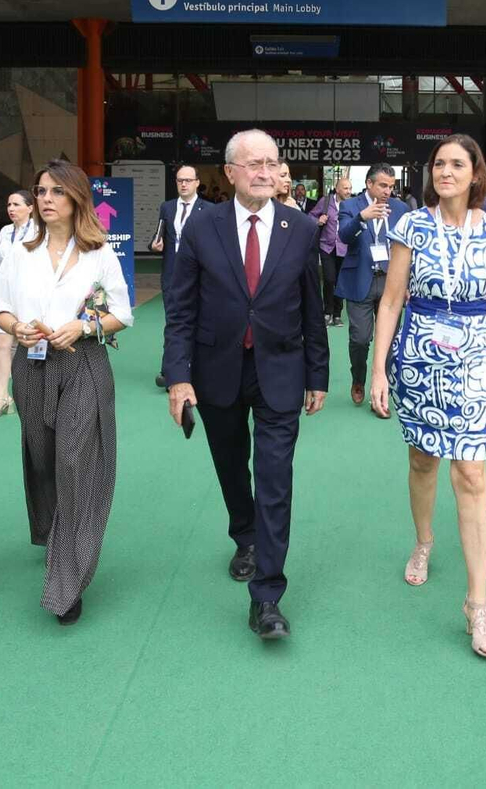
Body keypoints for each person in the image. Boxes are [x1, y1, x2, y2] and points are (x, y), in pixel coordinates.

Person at [162, 129, 329, 641]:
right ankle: (245, 534)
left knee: (275, 478)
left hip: (281, 370)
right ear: (230, 172)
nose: (264, 171)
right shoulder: (202, 227)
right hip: (218, 371)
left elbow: (313, 307)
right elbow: (181, 309)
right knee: (232, 465)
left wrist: (317, 374)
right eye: (252, 163)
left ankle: (268, 596)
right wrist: (179, 376)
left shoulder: (299, 228)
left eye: (271, 163)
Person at [369, 135, 486, 659]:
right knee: (424, 459)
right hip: (420, 355)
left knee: (472, 474)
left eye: (457, 164)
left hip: (477, 358)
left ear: (476, 173)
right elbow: (390, 301)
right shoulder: (410, 225)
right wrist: (379, 368)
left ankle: (477, 604)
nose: (446, 171)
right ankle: (425, 540)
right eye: (439, 164)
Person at [0, 160, 133, 626]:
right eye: (40, 191)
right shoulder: (19, 252)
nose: (46, 199)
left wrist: (84, 325)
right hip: (31, 367)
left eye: (56, 191)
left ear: (76, 199)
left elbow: (122, 314)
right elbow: (2, 310)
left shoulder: (99, 254)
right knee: (44, 459)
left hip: (84, 366)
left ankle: (67, 582)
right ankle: (54, 533)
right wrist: (20, 328)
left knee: (74, 463)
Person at [337, 164, 410, 406]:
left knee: (388, 338)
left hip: (391, 281)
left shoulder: (401, 209)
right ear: (369, 184)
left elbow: (410, 248)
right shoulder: (350, 205)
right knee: (360, 338)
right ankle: (358, 378)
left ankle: (383, 389)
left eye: (391, 186)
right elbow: (344, 237)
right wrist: (362, 218)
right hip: (360, 280)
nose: (388, 190)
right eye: (383, 185)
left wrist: (408, 281)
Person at [151, 164, 204, 387]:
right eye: (180, 180)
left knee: (200, 322)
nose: (183, 184)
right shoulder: (167, 207)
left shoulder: (209, 210)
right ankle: (169, 370)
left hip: (201, 276)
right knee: (173, 322)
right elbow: (158, 235)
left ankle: (197, 367)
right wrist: (155, 245)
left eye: (188, 180)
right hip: (172, 274)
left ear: (197, 183)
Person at [0, 189, 35, 417]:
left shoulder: (40, 231)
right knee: (1, 346)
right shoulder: (5, 232)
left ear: (30, 207)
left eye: (16, 204)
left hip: (28, 295)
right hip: (4, 295)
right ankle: (2, 398)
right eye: (9, 205)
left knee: (31, 346)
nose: (11, 209)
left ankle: (33, 395)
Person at [309, 174, 351, 327]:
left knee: (341, 282)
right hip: (327, 246)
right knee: (329, 279)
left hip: (344, 247)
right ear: (337, 189)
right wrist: (318, 220)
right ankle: (328, 312)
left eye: (350, 188)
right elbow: (310, 216)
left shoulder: (352, 204)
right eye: (345, 188)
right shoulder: (325, 202)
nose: (348, 191)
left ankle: (337, 314)